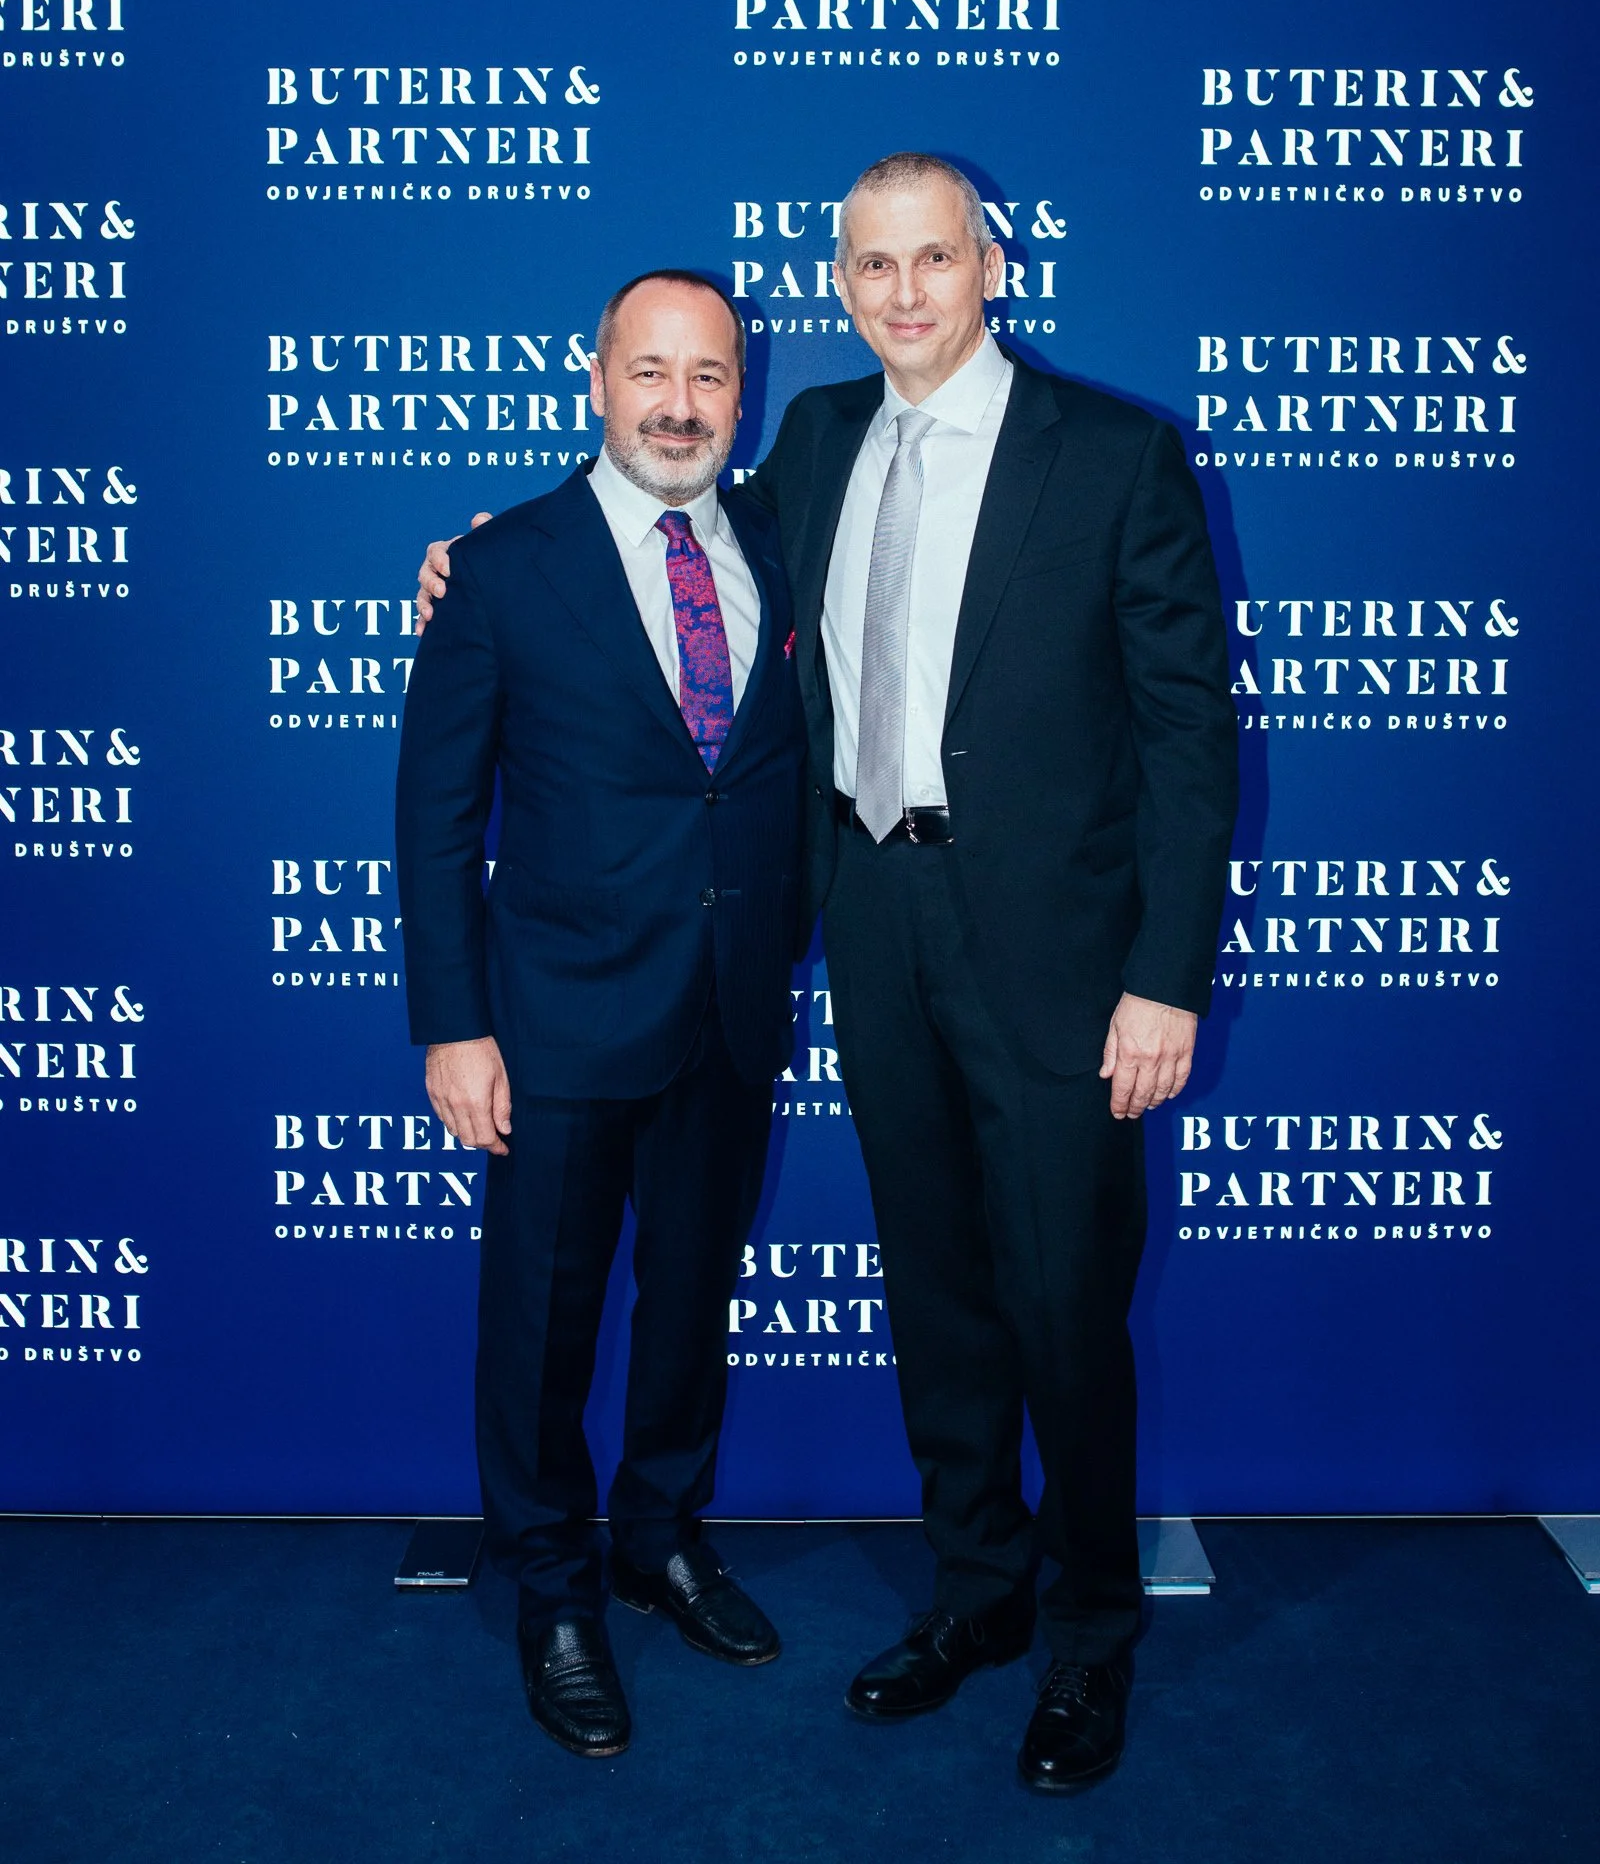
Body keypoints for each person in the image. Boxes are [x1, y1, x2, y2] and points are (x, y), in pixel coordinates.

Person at [417, 155, 1237, 1793]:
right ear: (843, 286)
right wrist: (474, 553)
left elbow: (1188, 735)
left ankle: (1086, 1636)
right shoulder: (814, 446)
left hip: (1064, 965)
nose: (908, 292)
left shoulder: (1121, 457)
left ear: (990, 263)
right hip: (867, 927)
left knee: (1066, 1308)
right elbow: (646, 529)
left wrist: (1167, 975)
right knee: (936, 1297)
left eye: (936, 259)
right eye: (875, 266)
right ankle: (979, 1597)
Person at [395, 271, 806, 1760]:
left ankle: (660, 1535)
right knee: (543, 1324)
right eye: (651, 371)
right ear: (595, 381)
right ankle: (553, 1585)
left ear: (739, 396)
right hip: (553, 1019)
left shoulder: (776, 536)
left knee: (691, 1299)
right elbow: (435, 816)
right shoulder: (505, 566)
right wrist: (454, 1024)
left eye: (709, 376)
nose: (680, 403)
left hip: (730, 1006)